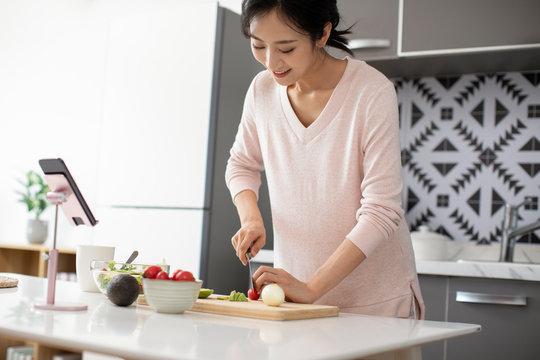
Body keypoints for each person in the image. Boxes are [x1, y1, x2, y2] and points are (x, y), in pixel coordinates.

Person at [226, 0, 424, 320]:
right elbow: (242, 164)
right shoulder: (261, 90)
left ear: (322, 34)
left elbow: (382, 210)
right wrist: (250, 218)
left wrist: (312, 287)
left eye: (286, 49)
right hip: (295, 301)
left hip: (375, 304)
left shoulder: (371, 92)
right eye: (258, 45)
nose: (270, 62)